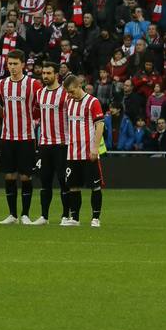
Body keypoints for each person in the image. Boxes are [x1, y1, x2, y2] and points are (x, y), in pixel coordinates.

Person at [0, 50, 41, 224]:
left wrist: (35, 117)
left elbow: (41, 104)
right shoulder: (1, 84)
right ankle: (12, 215)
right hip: (7, 137)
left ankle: (25, 214)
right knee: (9, 176)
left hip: (27, 137)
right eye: (9, 64)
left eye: (15, 64)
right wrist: (2, 113)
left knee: (26, 177)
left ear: (23, 64)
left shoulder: (33, 84)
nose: (12, 67)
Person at [62, 74, 106, 227]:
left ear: (79, 86)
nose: (69, 94)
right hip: (73, 151)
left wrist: (95, 147)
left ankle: (95, 218)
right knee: (73, 185)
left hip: (89, 151)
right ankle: (75, 218)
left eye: (72, 91)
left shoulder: (93, 102)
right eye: (67, 92)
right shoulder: (69, 101)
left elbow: (100, 125)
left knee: (95, 185)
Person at [33, 62, 70, 225]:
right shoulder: (40, 93)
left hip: (62, 144)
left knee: (64, 181)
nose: (46, 76)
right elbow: (36, 114)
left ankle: (65, 216)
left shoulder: (65, 93)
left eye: (49, 73)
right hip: (45, 144)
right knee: (45, 181)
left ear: (56, 75)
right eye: (44, 73)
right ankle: (44, 216)